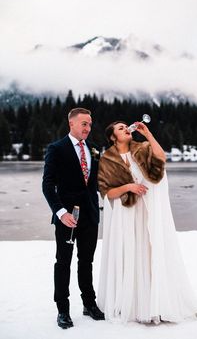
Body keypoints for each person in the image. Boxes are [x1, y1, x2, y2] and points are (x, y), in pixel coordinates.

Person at [97, 120, 197, 324]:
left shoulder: (141, 148)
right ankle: (133, 305)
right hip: (125, 215)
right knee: (130, 254)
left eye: (127, 127)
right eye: (120, 128)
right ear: (112, 137)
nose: (126, 129)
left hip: (145, 211)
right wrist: (128, 187)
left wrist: (149, 135)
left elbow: (161, 159)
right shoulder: (107, 158)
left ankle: (154, 303)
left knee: (146, 252)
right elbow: (107, 193)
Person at [42, 107, 104, 329]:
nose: (88, 128)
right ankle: (63, 310)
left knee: (86, 261)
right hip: (67, 217)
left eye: (90, 124)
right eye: (84, 123)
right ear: (72, 124)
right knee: (63, 263)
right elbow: (47, 185)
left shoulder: (95, 149)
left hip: (90, 215)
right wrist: (61, 213)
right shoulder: (56, 149)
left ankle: (89, 303)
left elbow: (97, 182)